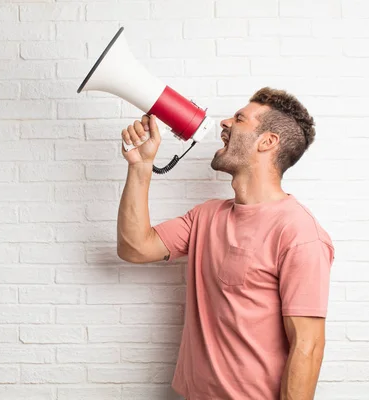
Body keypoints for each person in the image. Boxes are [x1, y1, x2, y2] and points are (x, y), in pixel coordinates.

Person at [116, 87, 335, 400]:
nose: (225, 123)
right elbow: (134, 247)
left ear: (268, 141)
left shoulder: (299, 233)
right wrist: (140, 165)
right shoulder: (206, 216)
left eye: (240, 119)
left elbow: (308, 346)